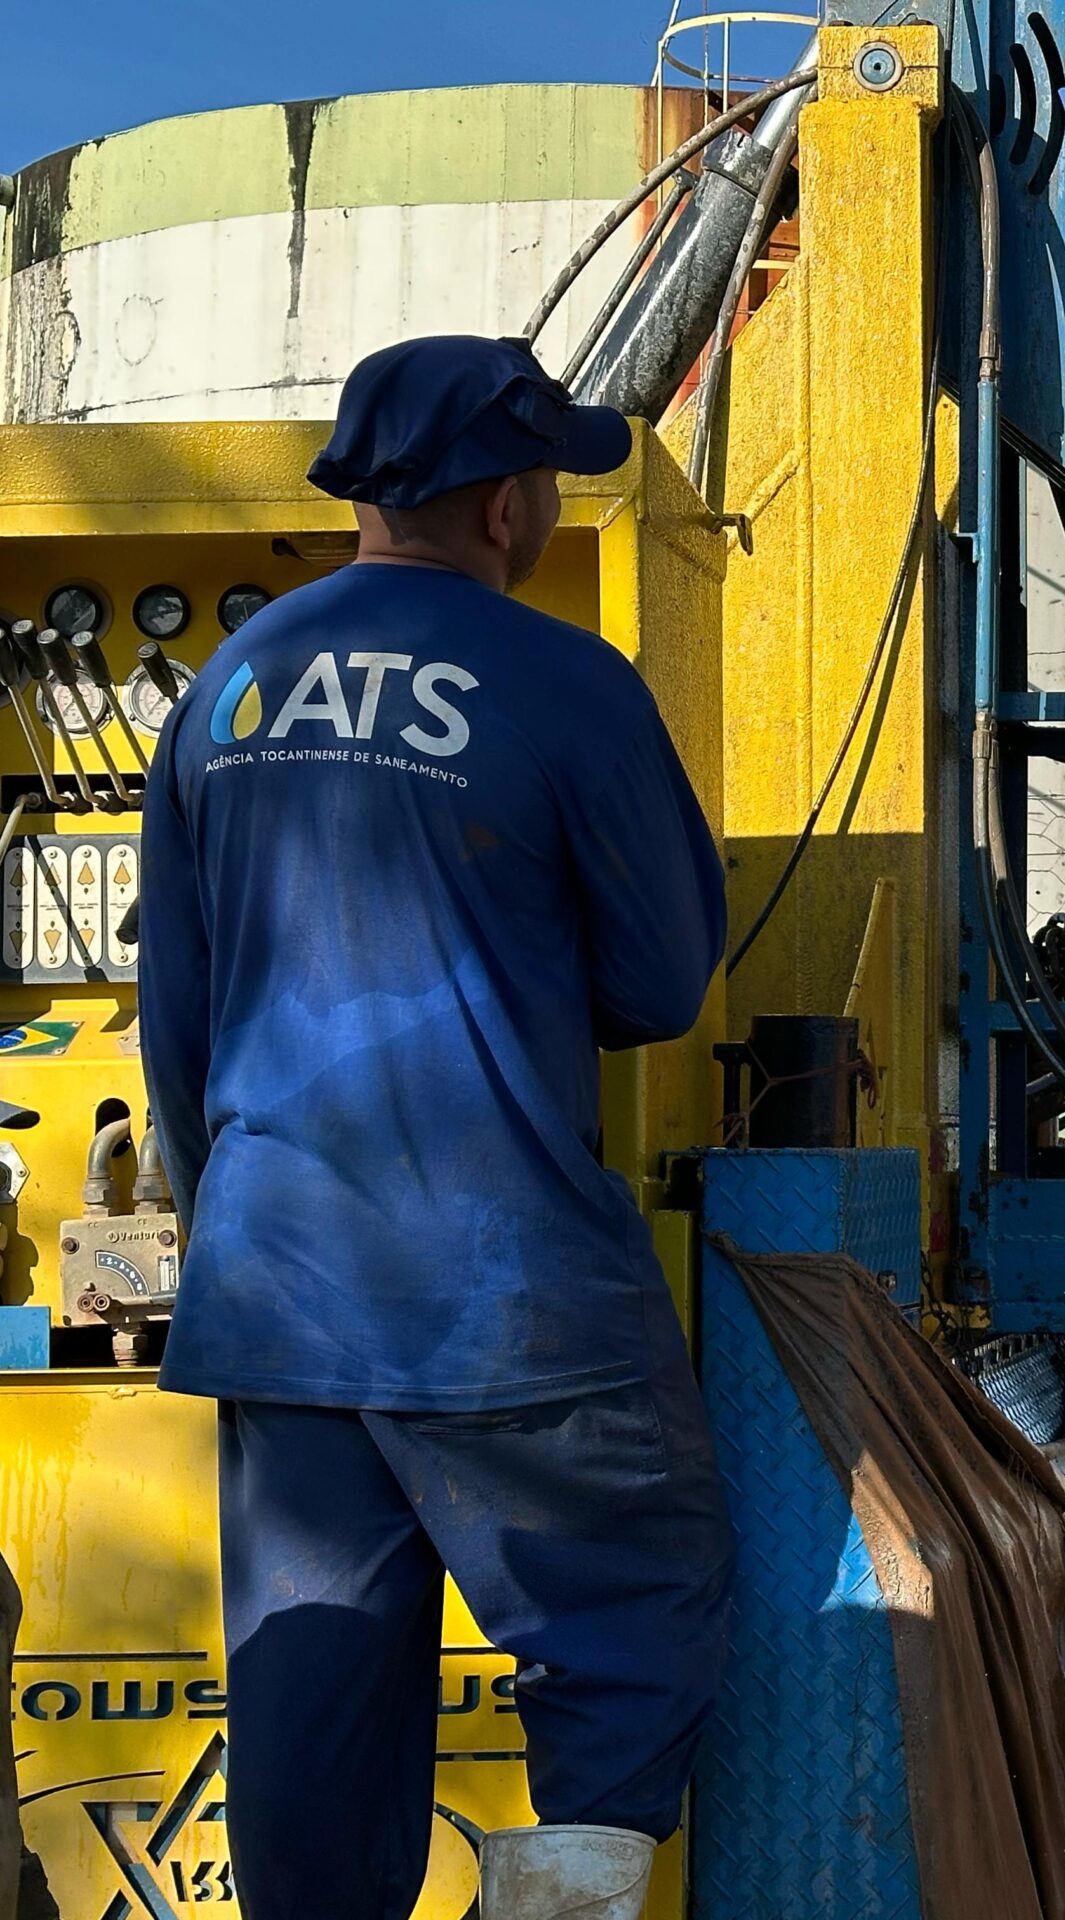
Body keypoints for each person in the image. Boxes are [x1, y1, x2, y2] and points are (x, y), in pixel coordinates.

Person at [138, 335, 735, 1920]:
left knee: (314, 1696)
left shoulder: (225, 691)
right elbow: (662, 984)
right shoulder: (566, 681)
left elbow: (177, 1017)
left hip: (276, 1293)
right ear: (509, 503)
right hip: (502, 1291)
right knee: (634, 1614)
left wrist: (229, 1234)